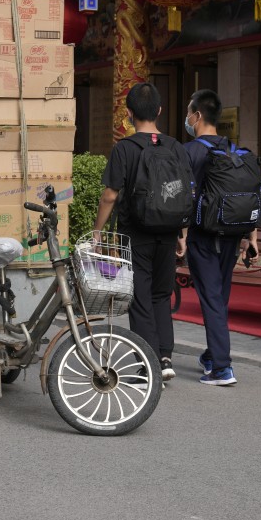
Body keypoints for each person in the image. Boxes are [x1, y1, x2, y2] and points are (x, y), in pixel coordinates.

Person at [92, 83, 187, 381]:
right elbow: (183, 194)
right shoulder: (175, 147)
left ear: (129, 113)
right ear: (159, 110)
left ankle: (148, 364)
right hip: (169, 232)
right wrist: (183, 234)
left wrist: (97, 231)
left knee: (141, 298)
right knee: (161, 295)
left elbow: (110, 195)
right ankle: (166, 358)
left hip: (136, 234)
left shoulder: (125, 149)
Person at [183, 89, 258, 386]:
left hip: (203, 236)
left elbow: (183, 197)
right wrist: (252, 238)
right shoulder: (233, 150)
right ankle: (212, 356)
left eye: (189, 112)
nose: (188, 118)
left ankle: (222, 368)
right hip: (233, 235)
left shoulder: (190, 152)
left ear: (197, 116)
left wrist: (182, 234)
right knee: (219, 296)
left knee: (211, 297)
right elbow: (251, 194)